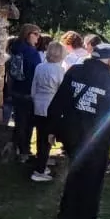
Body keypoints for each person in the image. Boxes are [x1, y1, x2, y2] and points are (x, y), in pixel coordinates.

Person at [47, 43, 110, 219]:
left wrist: (53, 129)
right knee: (91, 185)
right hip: (98, 142)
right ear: (108, 60)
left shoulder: (75, 71)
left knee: (74, 178)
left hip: (73, 137)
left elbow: (59, 102)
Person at [28, 41, 68, 182]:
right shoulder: (60, 70)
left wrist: (36, 100)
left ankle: (41, 164)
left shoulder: (40, 67)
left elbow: (34, 88)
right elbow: (62, 91)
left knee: (40, 137)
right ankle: (39, 170)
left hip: (39, 104)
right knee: (48, 139)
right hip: (52, 106)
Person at [5, 25, 43, 161]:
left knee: (19, 121)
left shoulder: (15, 48)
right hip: (28, 91)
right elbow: (37, 71)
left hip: (16, 89)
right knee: (27, 123)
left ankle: (18, 149)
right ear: (28, 34)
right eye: (36, 34)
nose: (39, 37)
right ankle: (24, 151)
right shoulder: (31, 52)